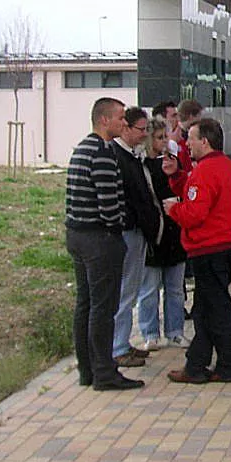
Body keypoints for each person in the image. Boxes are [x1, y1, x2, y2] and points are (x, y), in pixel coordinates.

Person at [65, 97, 143, 391]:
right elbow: (110, 206)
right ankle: (105, 373)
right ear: (104, 120)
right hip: (99, 239)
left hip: (77, 234)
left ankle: (88, 370)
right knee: (103, 308)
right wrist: (117, 233)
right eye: (121, 118)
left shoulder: (82, 148)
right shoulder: (102, 153)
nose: (125, 122)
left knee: (85, 304)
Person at [163, 118, 231, 383]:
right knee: (205, 309)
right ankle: (196, 363)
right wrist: (177, 177)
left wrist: (174, 209)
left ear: (204, 141)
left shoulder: (204, 171)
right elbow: (199, 192)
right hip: (226, 246)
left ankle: (226, 366)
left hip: (209, 249)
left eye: (192, 139)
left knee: (214, 311)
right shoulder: (224, 165)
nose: (187, 144)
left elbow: (195, 213)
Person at [136, 117, 189, 351]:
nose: (164, 142)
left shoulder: (172, 163)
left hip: (174, 230)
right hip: (154, 233)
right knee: (149, 289)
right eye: (159, 138)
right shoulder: (142, 166)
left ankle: (175, 331)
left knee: (175, 288)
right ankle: (150, 333)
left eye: (165, 137)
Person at [110, 106, 157, 369]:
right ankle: (118, 347)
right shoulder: (118, 157)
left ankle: (123, 342)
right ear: (126, 128)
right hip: (128, 230)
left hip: (137, 230)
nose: (144, 134)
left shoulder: (132, 155)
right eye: (141, 129)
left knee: (131, 289)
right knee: (125, 292)